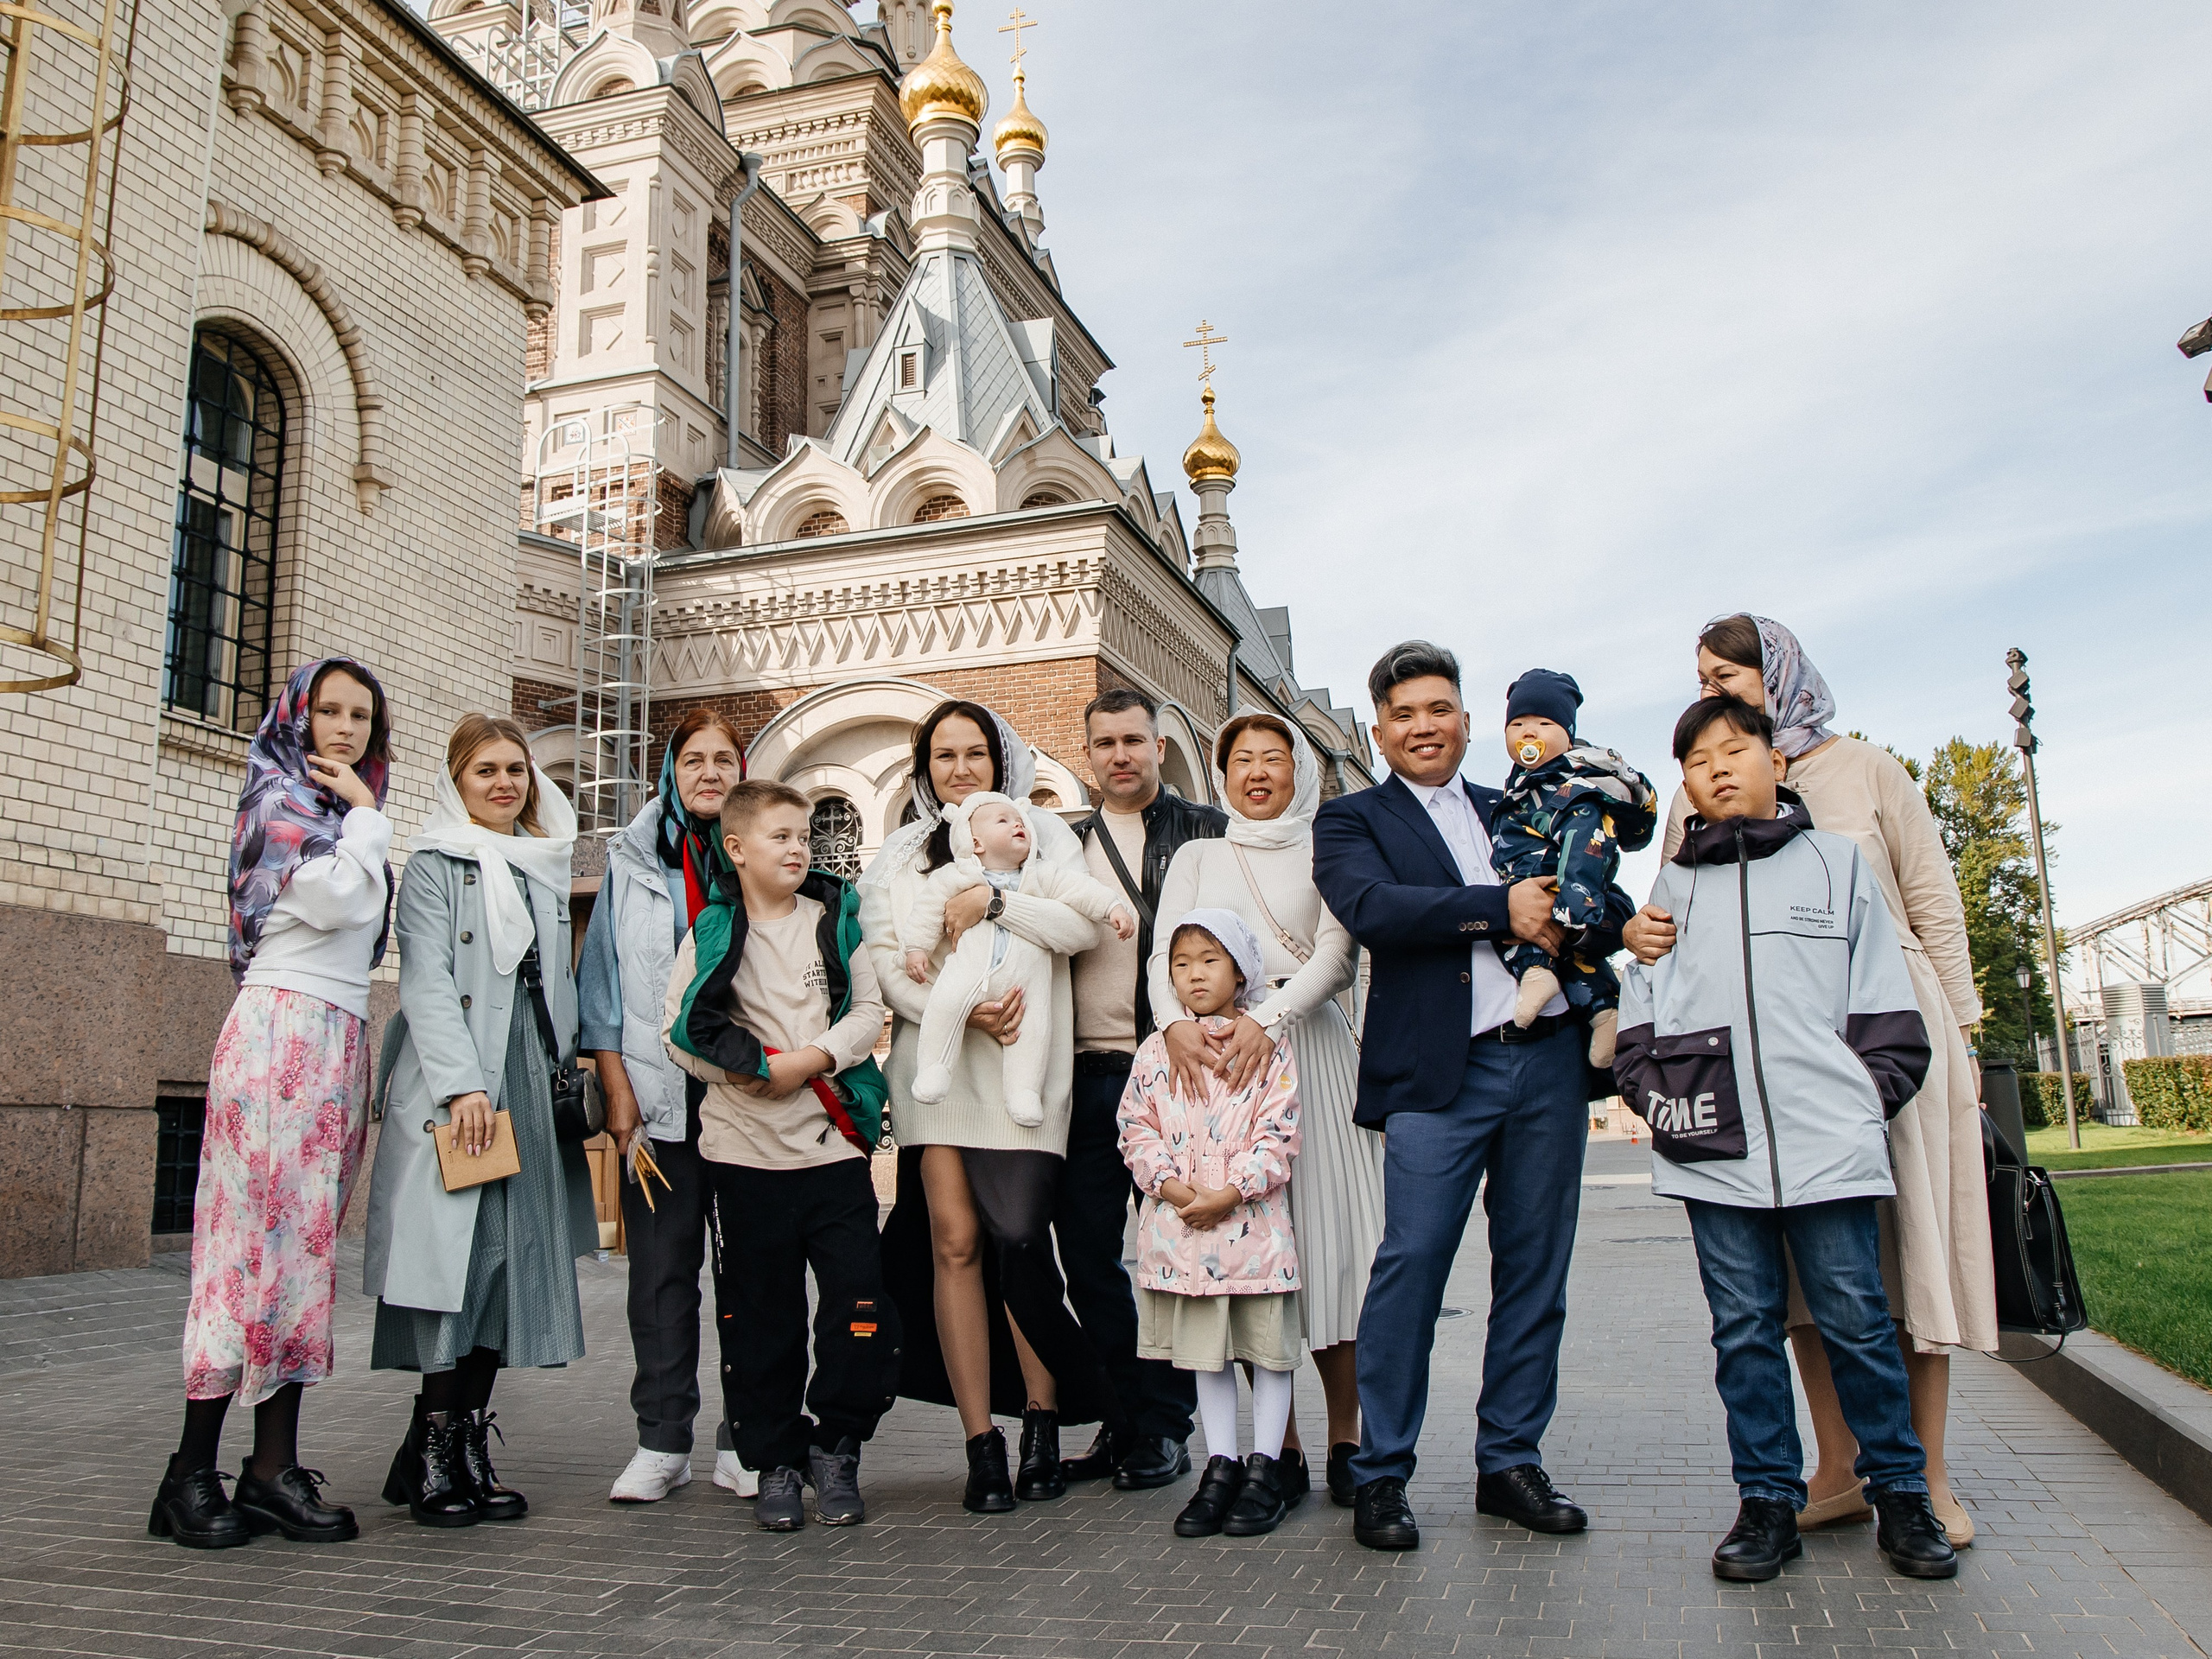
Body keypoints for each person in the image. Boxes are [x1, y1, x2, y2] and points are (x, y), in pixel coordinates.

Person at [1622, 613, 1993, 1548]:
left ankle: (1909, 1487)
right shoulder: (1679, 868)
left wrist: (1876, 1087)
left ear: (1772, 744)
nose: (1719, 740)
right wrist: (1662, 1098)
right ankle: (1777, 1496)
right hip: (1722, 1140)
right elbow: (1647, 991)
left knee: (1872, 1305)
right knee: (1749, 1325)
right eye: (1702, 686)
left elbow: (1914, 941)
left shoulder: (1853, 802)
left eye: (1734, 688)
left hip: (1835, 1120)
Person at [1313, 641, 1630, 1552]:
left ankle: (1510, 1463)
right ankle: (1380, 1474)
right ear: (1379, 730)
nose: (1424, 726)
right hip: (1434, 1078)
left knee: (1535, 1270)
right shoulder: (1351, 822)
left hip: (1546, 1061)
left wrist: (1577, 903)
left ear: (1464, 720)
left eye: (1440, 709)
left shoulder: (1520, 804)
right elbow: (1374, 910)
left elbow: (1598, 897)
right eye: (1405, 713)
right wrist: (1502, 907)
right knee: (1409, 1267)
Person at [152, 658, 394, 1549]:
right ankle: (188, 1475)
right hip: (279, 1031)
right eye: (328, 710)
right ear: (297, 717)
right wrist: (369, 826)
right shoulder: (279, 801)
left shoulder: (343, 816)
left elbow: (359, 919)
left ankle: (269, 1470)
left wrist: (362, 826)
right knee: (240, 1254)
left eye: (360, 715)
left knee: (303, 1258)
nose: (344, 728)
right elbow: (331, 901)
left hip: (335, 1037)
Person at [861, 700, 1126, 1513]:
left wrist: (998, 907)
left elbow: (1082, 932)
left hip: (1026, 1064)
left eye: (975, 752)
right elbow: (889, 964)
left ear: (1001, 760)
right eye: (944, 755)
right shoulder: (901, 858)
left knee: (1021, 1242)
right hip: (936, 1061)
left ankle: (1044, 1417)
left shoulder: (1043, 833)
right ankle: (982, 1441)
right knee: (954, 1242)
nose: (961, 769)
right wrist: (956, 1004)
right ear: (924, 767)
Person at [363, 714, 596, 1529]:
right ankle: (431, 1447)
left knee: (510, 1263)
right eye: (485, 772)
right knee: (460, 1266)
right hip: (465, 1087)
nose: (504, 785)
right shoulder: (433, 862)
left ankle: (464, 1444)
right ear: (455, 782)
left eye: (516, 771)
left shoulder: (540, 862)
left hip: (530, 1079)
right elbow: (425, 979)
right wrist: (462, 1087)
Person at [1147, 710, 1382, 1508]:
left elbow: (1337, 953)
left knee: (1334, 1254)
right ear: (1221, 771)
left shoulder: (1331, 839)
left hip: (1305, 1053)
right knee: (1245, 1260)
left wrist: (1267, 1019)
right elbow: (1160, 952)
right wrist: (1174, 1026)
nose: (1256, 772)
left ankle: (1346, 1435)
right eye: (1241, 758)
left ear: (1298, 769)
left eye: (1273, 758)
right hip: (1212, 1069)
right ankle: (1272, 1451)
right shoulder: (1200, 853)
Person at [661, 779, 900, 1530]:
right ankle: (776, 1462)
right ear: (736, 849)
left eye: (805, 835)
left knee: (859, 1307)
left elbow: (868, 1012)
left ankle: (837, 1447)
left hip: (831, 1156)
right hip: (742, 1160)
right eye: (780, 836)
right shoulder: (708, 931)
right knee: (759, 1321)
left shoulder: (833, 921)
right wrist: (738, 1069)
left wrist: (814, 1059)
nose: (799, 848)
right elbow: (677, 1032)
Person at [576, 709, 752, 1504]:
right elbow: (603, 987)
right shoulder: (634, 860)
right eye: (694, 761)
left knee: (753, 1277)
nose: (709, 773)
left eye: (724, 759)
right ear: (670, 774)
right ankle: (662, 1441)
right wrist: (618, 1092)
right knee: (660, 1275)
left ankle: (747, 1438)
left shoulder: (766, 850)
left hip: (749, 1103)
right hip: (656, 1101)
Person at [1060, 687, 1226, 1491]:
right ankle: (1125, 1418)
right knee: (1089, 1261)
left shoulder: (1207, 831)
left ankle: (1165, 1428)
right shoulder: (1062, 844)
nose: (1120, 755)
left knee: (1172, 1259)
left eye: (1134, 740)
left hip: (1172, 1077)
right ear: (1087, 754)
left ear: (1160, 747)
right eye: (1105, 744)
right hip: (1082, 1076)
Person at [1120, 910, 1304, 1539]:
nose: (1194, 975)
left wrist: (1232, 1191)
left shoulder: (1268, 1046)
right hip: (1185, 1235)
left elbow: (1279, 1133)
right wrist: (1169, 1185)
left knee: (1268, 1353)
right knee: (1208, 1357)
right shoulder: (1156, 1049)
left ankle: (1267, 1468)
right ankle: (1219, 1466)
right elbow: (1135, 1126)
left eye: (1209, 960)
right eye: (1180, 963)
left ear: (1240, 969)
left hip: (1255, 1236)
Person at [905, 791, 1135, 1126]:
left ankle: (1024, 1092)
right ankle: (933, 1069)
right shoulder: (957, 876)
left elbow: (1080, 891)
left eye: (1020, 821)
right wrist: (916, 948)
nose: (1017, 824)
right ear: (975, 843)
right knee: (944, 1006)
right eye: (1003, 821)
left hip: (1025, 983)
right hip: (966, 971)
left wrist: (1112, 908)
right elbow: (927, 909)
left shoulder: (1041, 874)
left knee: (1033, 1031)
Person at [1487, 669, 1656, 1068]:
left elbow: (1586, 842)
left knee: (1561, 945)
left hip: (1566, 890)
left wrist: (1574, 909)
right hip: (1533, 888)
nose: (1529, 733)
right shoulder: (1518, 787)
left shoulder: (1575, 784)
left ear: (1567, 733)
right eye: (1518, 724)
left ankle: (1603, 1011)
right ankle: (1578, 996)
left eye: (1544, 724)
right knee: (1534, 938)